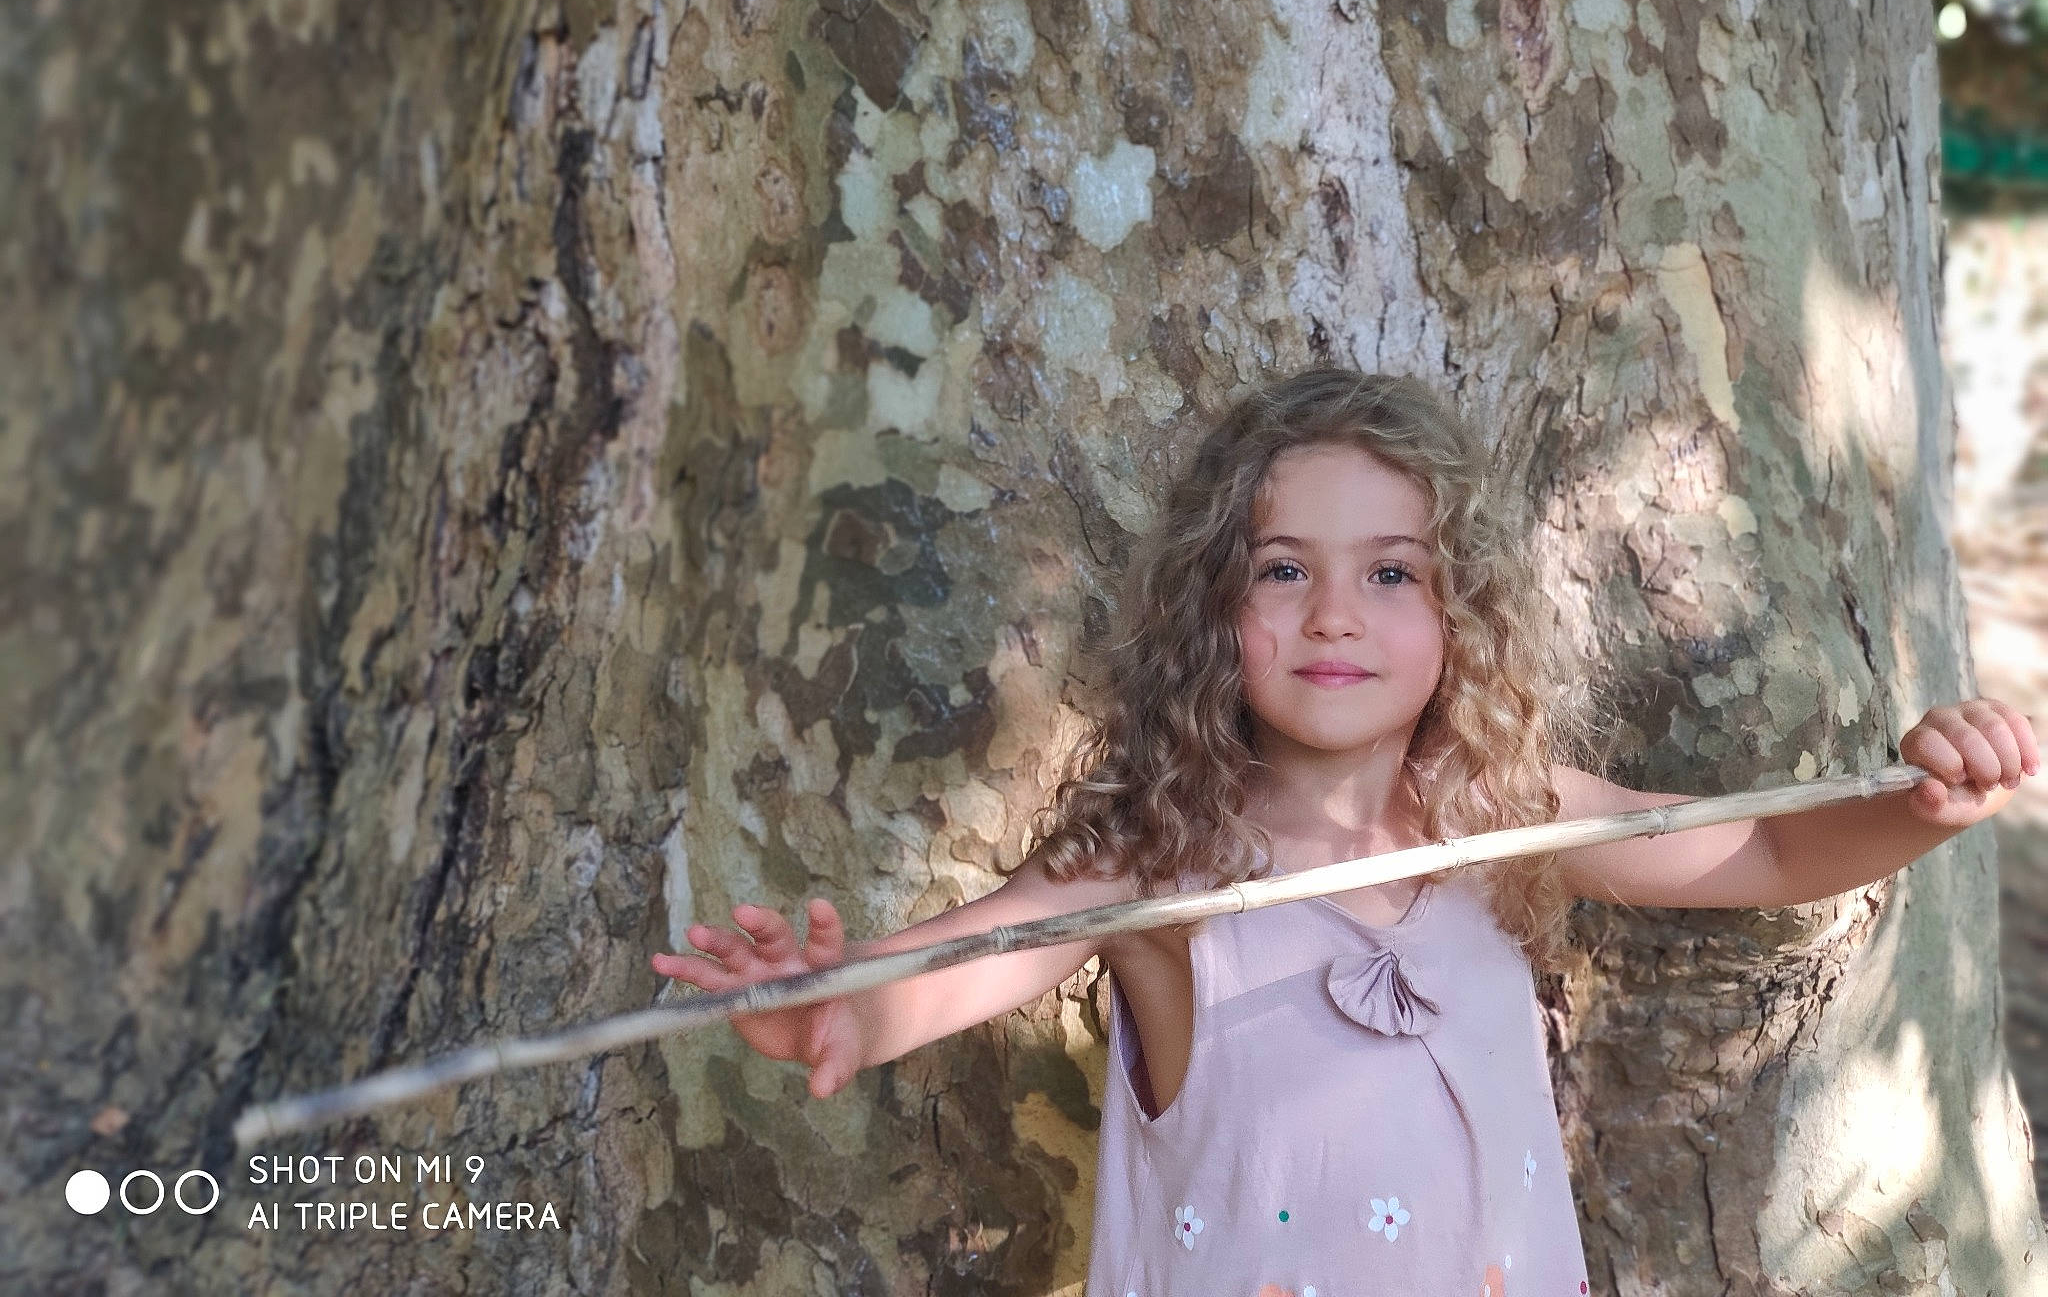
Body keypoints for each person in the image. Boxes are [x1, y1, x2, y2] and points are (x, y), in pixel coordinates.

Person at [650, 367, 2036, 1295]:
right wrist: (843, 1008)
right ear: (1213, 607)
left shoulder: (1504, 817)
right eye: (1282, 570)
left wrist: (1921, 803)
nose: (1333, 614)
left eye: (1391, 574)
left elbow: (1773, 855)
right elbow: (970, 958)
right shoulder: (1159, 862)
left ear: (1462, 611)